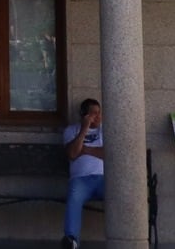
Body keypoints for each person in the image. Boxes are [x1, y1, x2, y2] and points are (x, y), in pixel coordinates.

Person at [62, 97, 104, 249]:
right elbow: (73, 154)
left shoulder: (105, 130)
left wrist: (84, 150)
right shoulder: (71, 130)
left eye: (99, 113)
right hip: (81, 180)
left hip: (104, 179)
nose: (98, 117)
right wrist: (84, 129)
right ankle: (71, 240)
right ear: (84, 115)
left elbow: (107, 154)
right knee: (74, 197)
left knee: (121, 194)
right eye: (93, 113)